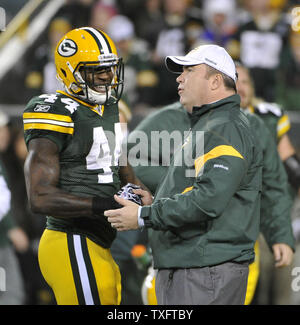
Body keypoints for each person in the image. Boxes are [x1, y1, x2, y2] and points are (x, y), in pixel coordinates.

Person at [105, 44, 263, 305]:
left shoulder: (225, 127)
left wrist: (144, 216)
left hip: (204, 268)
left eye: (189, 70)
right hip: (196, 265)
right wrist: (155, 203)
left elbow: (208, 200)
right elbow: (202, 192)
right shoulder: (211, 124)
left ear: (215, 82)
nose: (179, 77)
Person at [23, 27, 144, 305]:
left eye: (110, 68)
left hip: (99, 242)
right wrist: (106, 204)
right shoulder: (55, 109)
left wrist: (138, 190)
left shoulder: (110, 107)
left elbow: (116, 159)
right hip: (70, 238)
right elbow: (39, 197)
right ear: (70, 71)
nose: (106, 76)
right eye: (95, 70)